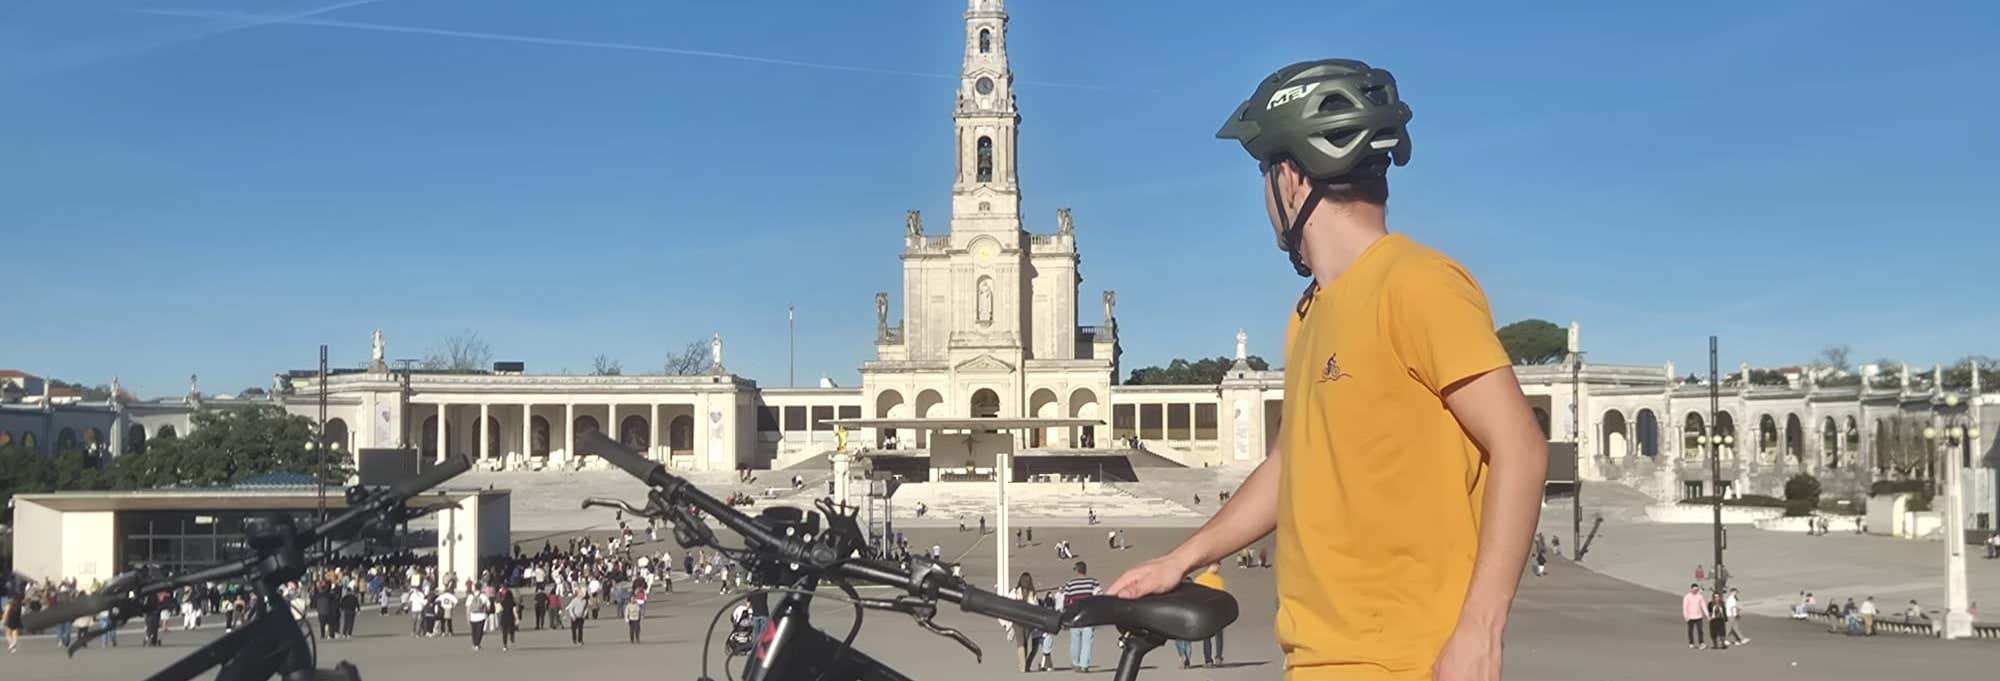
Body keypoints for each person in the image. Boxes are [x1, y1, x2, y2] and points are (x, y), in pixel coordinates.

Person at [1107, 58, 1544, 681]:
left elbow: (1521, 447)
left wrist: (1480, 631)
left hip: (1405, 660)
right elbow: (1288, 466)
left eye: (1264, 173)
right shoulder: (1309, 314)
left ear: (1288, 178)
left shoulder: (1416, 284)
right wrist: (1182, 558)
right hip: (1318, 658)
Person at [1060, 562, 1101, 672]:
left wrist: (1066, 614)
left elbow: (1067, 601)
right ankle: (1084, 665)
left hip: (1075, 616)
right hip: (1088, 615)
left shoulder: (1070, 583)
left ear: (1076, 570)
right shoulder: (1093, 582)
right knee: (1087, 642)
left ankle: (1076, 663)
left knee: (1075, 641)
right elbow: (1099, 598)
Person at [1004, 572, 1041, 672]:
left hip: (1017, 620)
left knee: (1020, 643)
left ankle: (1022, 667)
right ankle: (1025, 666)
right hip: (1028, 621)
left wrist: (1007, 623)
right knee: (1025, 643)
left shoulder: (1015, 591)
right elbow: (1036, 607)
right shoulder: (1032, 593)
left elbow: (1008, 605)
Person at [1192, 563, 1227, 666]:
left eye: (1219, 565)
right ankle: (1209, 659)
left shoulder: (1217, 579)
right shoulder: (1201, 579)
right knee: (1209, 637)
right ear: (1209, 566)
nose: (1218, 567)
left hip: (1210, 611)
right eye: (1216, 565)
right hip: (1210, 611)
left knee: (1216, 636)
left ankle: (1216, 658)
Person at [1682, 584, 1707, 649]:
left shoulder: (1700, 596)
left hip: (1699, 616)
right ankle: (1691, 643)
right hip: (1690, 617)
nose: (1695, 591)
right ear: (1691, 589)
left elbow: (1703, 606)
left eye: (1696, 589)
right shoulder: (1687, 597)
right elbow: (1685, 607)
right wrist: (1686, 616)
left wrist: (1707, 615)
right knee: (1690, 630)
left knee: (1700, 630)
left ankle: (1701, 643)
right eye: (1694, 589)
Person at [498, 586, 518, 650]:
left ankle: (505, 645)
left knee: (504, 632)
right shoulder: (513, 602)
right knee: (511, 630)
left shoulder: (502, 602)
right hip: (510, 617)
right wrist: (517, 618)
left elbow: (499, 609)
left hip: (504, 617)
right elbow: (514, 611)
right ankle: (512, 639)